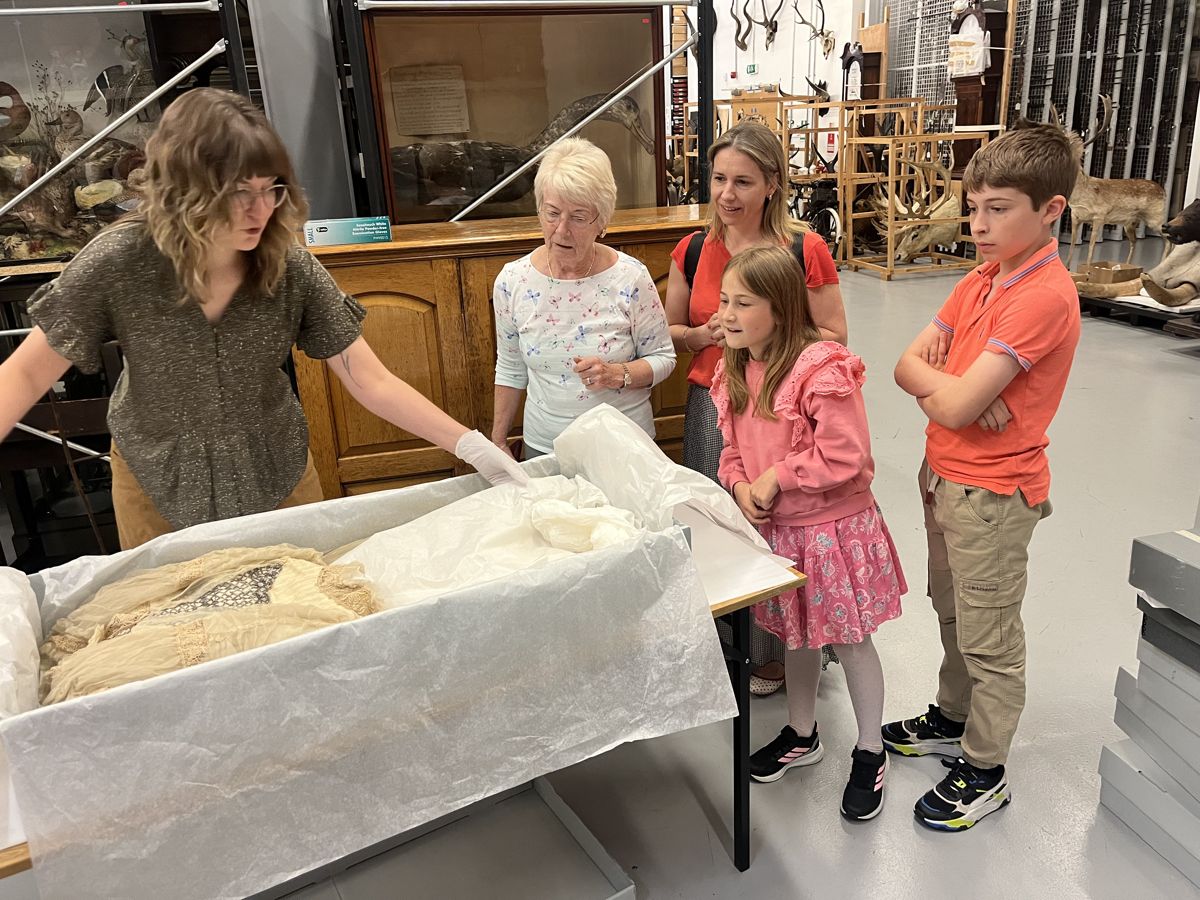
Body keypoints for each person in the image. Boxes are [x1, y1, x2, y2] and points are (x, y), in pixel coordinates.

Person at [0, 89, 523, 550]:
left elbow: (368, 377)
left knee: (295, 614)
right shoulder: (119, 261)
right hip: (157, 479)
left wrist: (471, 446)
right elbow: (24, 373)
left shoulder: (286, 263)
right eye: (238, 194)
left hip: (276, 472)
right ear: (185, 190)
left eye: (270, 189)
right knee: (179, 630)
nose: (260, 211)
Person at [887, 123, 1080, 831]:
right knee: (952, 611)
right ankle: (952, 714)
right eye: (974, 208)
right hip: (942, 474)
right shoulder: (981, 279)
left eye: (998, 208)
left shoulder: (1042, 295)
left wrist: (954, 389)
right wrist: (956, 388)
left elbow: (953, 397)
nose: (979, 224)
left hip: (994, 495)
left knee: (990, 635)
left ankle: (986, 765)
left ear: (1050, 210)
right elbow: (904, 368)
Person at [711, 246, 906, 821]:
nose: (728, 313)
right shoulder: (735, 366)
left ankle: (871, 749)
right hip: (783, 533)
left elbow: (846, 456)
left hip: (832, 532)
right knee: (798, 635)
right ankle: (802, 732)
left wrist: (777, 476)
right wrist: (742, 486)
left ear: (783, 307)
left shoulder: (820, 369)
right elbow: (731, 449)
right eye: (725, 301)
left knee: (847, 639)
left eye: (743, 303)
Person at [663, 121, 846, 695]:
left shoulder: (802, 248)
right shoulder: (693, 248)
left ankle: (778, 649)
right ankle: (723, 640)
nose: (727, 194)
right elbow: (670, 332)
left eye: (743, 181)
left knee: (777, 523)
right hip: (710, 403)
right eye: (718, 179)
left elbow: (835, 334)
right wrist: (703, 334)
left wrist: (769, 337)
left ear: (772, 184)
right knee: (716, 521)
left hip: (779, 406)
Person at [491, 138, 675, 458]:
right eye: (552, 213)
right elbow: (510, 368)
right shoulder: (512, 281)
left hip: (624, 447)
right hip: (545, 448)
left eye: (578, 217)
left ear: (602, 221)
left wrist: (618, 374)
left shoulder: (630, 277)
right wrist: (498, 441)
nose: (561, 230)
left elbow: (664, 358)